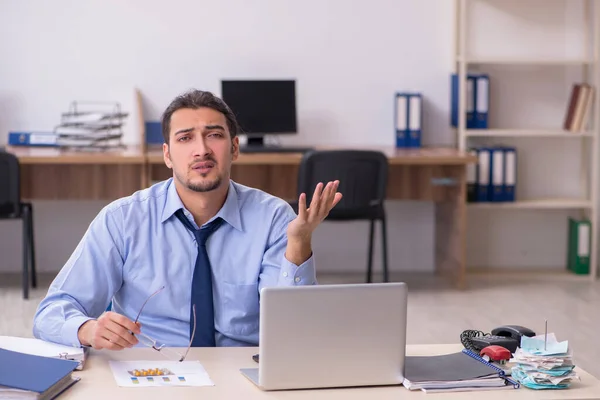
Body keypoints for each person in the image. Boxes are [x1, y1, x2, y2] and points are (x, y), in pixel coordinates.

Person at [32, 89, 342, 351]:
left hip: (243, 372)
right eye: (185, 138)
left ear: (234, 148)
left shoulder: (274, 219)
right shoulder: (122, 220)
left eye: (215, 135)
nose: (202, 150)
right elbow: (51, 314)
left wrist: (299, 244)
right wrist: (87, 329)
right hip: (152, 371)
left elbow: (293, 331)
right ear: (167, 155)